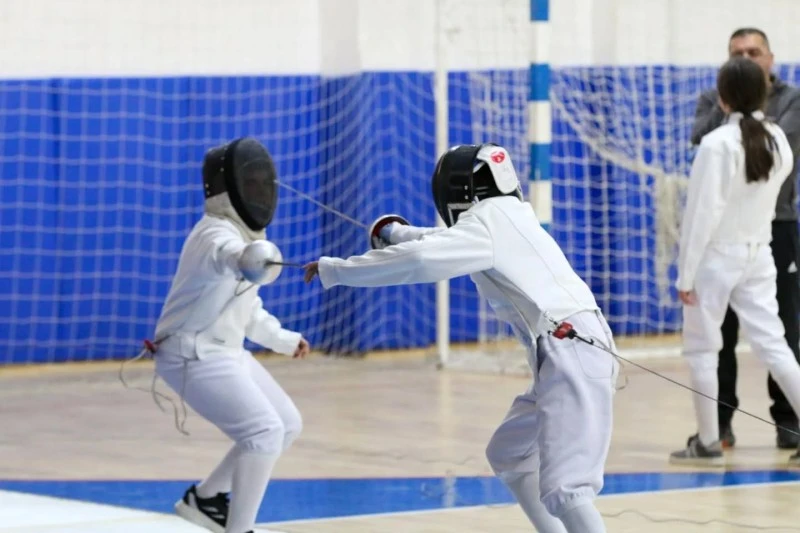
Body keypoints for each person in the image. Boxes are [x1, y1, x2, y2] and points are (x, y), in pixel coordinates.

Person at [304, 144, 618, 533]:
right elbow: (435, 241)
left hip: (571, 349)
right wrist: (393, 232)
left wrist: (337, 270)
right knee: (510, 454)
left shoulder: (487, 225)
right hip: (567, 350)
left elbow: (422, 259)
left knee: (568, 488)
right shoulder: (506, 216)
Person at [151, 137, 309, 533]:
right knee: (263, 432)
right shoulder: (215, 234)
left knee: (287, 424)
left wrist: (284, 340)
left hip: (225, 351)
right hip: (191, 354)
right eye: (249, 183)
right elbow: (227, 255)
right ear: (229, 190)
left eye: (261, 184)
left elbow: (247, 310)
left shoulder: (248, 240)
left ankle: (204, 500)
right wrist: (243, 259)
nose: (257, 191)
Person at [671, 57, 800, 466]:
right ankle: (709, 439)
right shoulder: (777, 138)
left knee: (702, 350)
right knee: (775, 346)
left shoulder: (717, 145)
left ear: (722, 99)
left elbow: (701, 215)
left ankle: (708, 442)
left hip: (716, 258)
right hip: (758, 254)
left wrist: (685, 275)